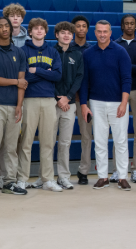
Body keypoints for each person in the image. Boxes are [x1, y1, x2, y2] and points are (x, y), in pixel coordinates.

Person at [80, 20, 132, 191]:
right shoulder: (88, 54)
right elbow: (84, 81)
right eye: (99, 31)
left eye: (105, 31)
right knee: (100, 141)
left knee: (121, 140)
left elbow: (126, 79)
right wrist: (83, 104)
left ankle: (123, 177)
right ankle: (103, 176)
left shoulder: (120, 52)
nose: (102, 34)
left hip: (118, 103)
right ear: (95, 33)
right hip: (96, 103)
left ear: (110, 33)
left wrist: (124, 103)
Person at [17, 18, 62, 192]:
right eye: (35, 29)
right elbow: (24, 78)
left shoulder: (53, 51)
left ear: (45, 31)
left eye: (41, 29)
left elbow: (57, 75)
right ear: (30, 32)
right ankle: (21, 178)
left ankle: (48, 179)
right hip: (29, 99)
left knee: (48, 141)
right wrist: (45, 73)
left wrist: (36, 70)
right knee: (26, 142)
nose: (38, 31)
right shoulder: (23, 51)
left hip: (49, 100)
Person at [0, 17, 28, 196]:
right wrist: (15, 81)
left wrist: (19, 105)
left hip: (14, 105)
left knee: (11, 146)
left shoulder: (19, 52)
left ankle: (9, 181)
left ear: (11, 29)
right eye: (0, 26)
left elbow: (22, 83)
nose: (4, 29)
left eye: (6, 26)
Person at [112, 14, 136, 183]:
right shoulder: (114, 45)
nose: (129, 26)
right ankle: (117, 169)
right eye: (126, 23)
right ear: (121, 26)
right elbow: (113, 67)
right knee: (119, 131)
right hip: (119, 92)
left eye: (132, 23)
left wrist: (125, 67)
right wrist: (132, 68)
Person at [53, 21, 83, 190]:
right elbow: (48, 76)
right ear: (57, 34)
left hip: (69, 104)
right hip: (52, 103)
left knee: (65, 142)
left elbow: (79, 77)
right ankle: (47, 176)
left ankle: (63, 176)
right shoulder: (50, 51)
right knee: (48, 141)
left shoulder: (77, 54)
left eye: (69, 33)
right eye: (63, 32)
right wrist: (57, 97)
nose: (66, 35)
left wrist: (68, 97)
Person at [70, 15, 93, 185]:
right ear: (73, 29)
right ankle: (60, 171)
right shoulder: (65, 48)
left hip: (86, 100)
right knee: (64, 136)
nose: (81, 29)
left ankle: (83, 171)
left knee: (86, 135)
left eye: (84, 26)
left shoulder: (91, 50)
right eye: (78, 26)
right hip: (68, 99)